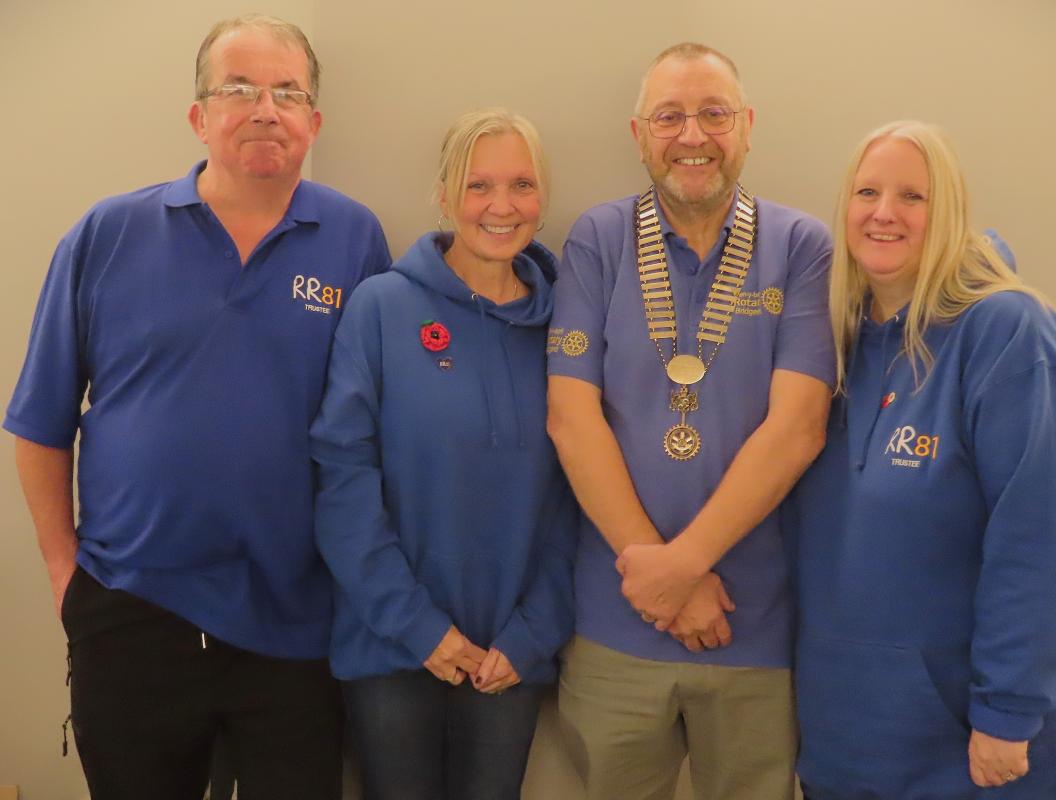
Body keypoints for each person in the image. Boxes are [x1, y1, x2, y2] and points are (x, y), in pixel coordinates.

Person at [4, 14, 391, 800]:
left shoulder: (354, 239)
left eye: (288, 92)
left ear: (314, 122)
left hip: (295, 618)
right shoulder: (107, 234)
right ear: (198, 116)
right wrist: (63, 574)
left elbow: (375, 428)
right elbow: (41, 422)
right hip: (131, 609)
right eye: (238, 89)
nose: (265, 110)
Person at [785, 120, 1056, 799]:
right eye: (867, 192)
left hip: (977, 737)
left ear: (950, 214)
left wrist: (1008, 712)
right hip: (849, 732)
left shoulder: (1010, 336)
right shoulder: (832, 345)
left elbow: (1047, 543)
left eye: (912, 196)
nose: (884, 212)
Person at [546, 43, 833, 799]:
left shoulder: (800, 246)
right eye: (669, 117)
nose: (693, 136)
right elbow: (571, 419)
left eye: (714, 114)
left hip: (753, 627)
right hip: (617, 619)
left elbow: (798, 427)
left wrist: (681, 570)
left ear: (747, 126)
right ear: (639, 135)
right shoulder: (597, 239)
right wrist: (658, 577)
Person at [310, 108, 576, 800]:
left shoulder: (566, 327)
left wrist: (534, 634)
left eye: (521, 185)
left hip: (509, 657)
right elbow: (343, 483)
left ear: (542, 197)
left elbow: (578, 494)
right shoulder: (380, 308)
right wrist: (418, 627)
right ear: (444, 194)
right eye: (477, 185)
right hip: (392, 646)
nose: (500, 206)